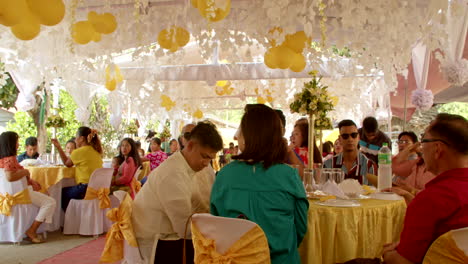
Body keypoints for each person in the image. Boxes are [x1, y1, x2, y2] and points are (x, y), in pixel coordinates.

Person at [211, 104, 308, 264]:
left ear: (251, 135)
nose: (236, 137)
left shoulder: (225, 175)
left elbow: (217, 223)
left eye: (241, 130)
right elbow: (300, 227)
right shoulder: (289, 175)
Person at [132, 121, 223, 263]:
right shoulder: (173, 174)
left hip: (171, 233)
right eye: (204, 156)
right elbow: (185, 229)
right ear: (190, 145)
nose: (206, 163)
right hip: (159, 241)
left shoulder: (190, 166)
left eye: (210, 159)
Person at [382, 113, 468, 264]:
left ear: (437, 149)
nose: (421, 148)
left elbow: (404, 262)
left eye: (423, 141)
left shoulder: (431, 199)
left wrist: (387, 254)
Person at [0, 131, 56, 243]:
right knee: (50, 202)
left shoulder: (3, 159)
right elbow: (10, 176)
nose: (18, 144)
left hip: (9, 194)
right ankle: (32, 230)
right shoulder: (10, 159)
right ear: (10, 143)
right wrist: (25, 172)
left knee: (44, 196)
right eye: (16, 142)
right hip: (21, 194)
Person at [51, 127, 103, 211]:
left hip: (85, 189)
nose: (75, 140)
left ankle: (68, 220)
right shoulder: (96, 151)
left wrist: (58, 147)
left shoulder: (79, 151)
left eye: (76, 137)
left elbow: (67, 164)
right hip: (98, 189)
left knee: (60, 193)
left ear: (81, 139)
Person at [324, 120, 377, 185]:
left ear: (358, 137)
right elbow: (324, 192)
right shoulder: (328, 165)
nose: (350, 139)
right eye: (345, 136)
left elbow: (374, 193)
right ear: (340, 139)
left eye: (353, 135)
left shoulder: (369, 166)